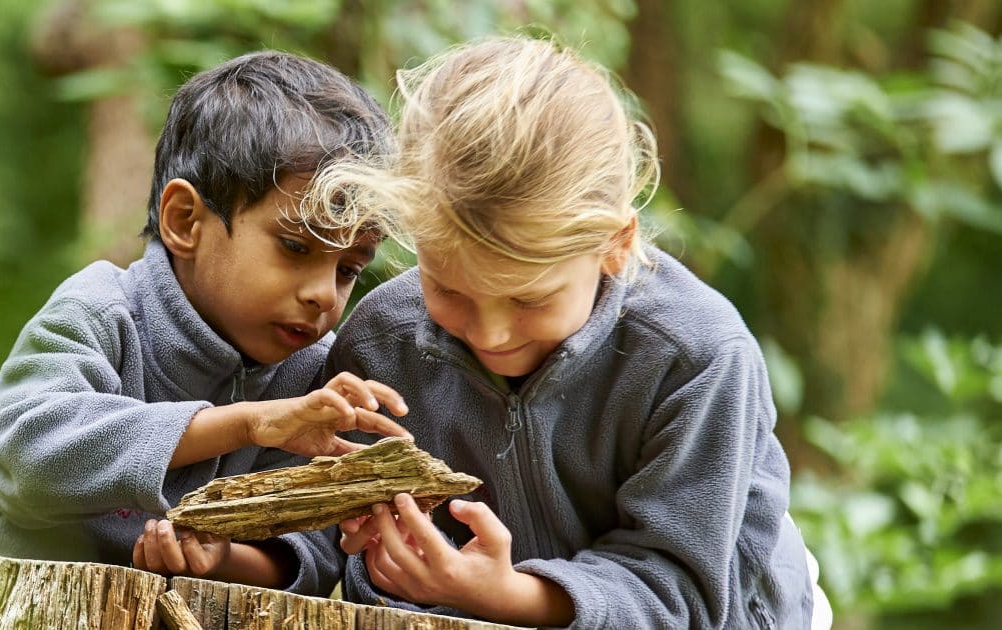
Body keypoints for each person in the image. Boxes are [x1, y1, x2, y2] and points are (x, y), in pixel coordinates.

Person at [0, 50, 408, 596]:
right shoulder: (102, 310)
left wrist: (220, 557)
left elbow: (315, 551)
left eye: (347, 270)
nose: (322, 295)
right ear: (185, 222)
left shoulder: (309, 376)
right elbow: (27, 459)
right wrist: (244, 424)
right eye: (294, 247)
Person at [319, 37, 818, 627]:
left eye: (529, 298)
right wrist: (391, 565)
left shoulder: (695, 358)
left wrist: (509, 595)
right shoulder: (384, 343)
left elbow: (684, 594)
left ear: (615, 245)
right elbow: (344, 549)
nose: (493, 333)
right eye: (449, 291)